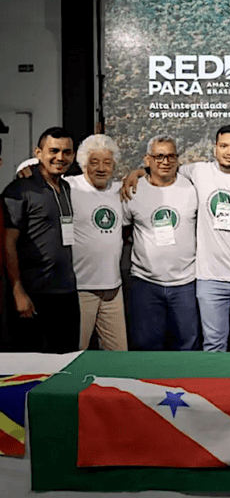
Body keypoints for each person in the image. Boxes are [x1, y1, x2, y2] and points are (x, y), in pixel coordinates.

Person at [122, 125, 230, 351]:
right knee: (213, 347)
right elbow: (163, 169)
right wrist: (138, 172)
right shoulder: (199, 172)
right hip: (210, 280)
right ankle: (213, 388)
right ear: (215, 149)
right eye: (224, 146)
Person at [2, 127, 79, 353]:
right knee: (30, 368)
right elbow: (8, 244)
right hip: (33, 294)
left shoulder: (65, 187)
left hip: (66, 294)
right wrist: (18, 291)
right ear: (38, 152)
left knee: (67, 362)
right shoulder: (19, 190)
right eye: (53, 151)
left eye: (67, 152)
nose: (60, 157)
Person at [122, 135, 200, 350]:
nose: (165, 162)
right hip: (146, 283)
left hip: (186, 282)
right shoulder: (133, 191)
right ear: (147, 160)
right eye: (159, 156)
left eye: (170, 156)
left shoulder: (192, 189)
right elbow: (123, 230)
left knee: (188, 345)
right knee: (146, 346)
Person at [68, 134, 127, 351]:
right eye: (94, 162)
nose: (101, 168)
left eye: (107, 162)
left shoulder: (119, 190)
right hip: (81, 289)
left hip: (113, 289)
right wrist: (27, 170)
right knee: (75, 353)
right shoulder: (69, 187)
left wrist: (138, 173)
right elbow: (37, 171)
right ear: (83, 164)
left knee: (119, 356)